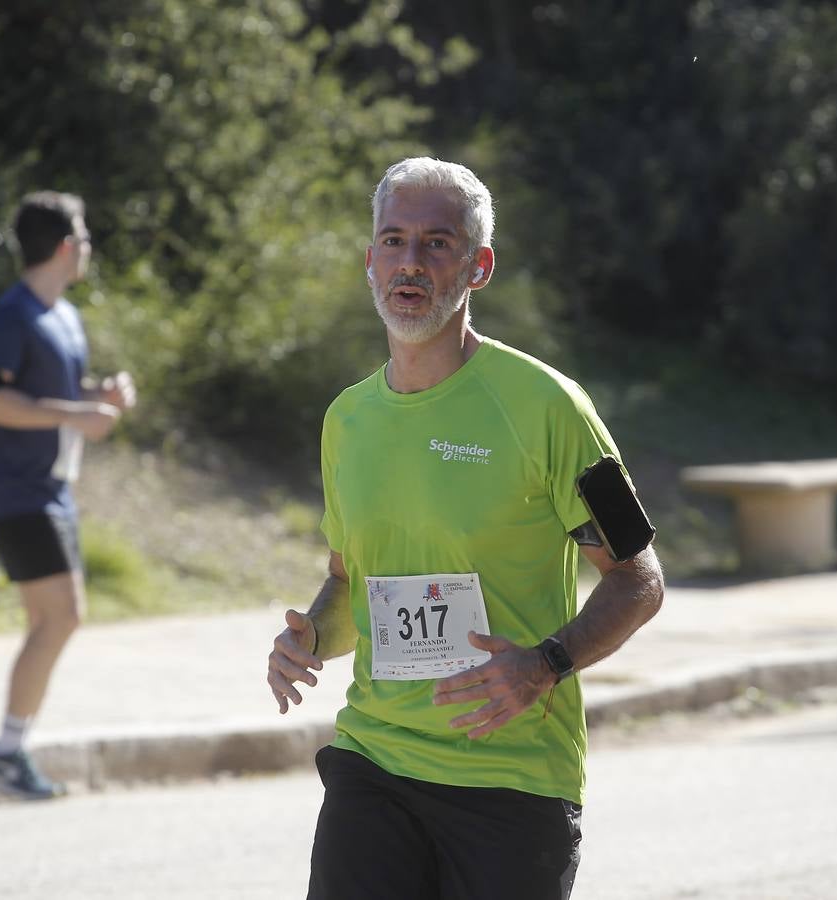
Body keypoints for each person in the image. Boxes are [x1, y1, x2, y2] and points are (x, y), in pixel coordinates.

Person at [266, 158, 666, 899]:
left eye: (437, 243)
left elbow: (639, 581)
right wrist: (311, 639)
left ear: (478, 266)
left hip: (509, 778)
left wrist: (543, 663)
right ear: (369, 261)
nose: (410, 263)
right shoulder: (346, 420)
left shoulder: (553, 408)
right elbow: (350, 581)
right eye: (393, 240)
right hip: (374, 762)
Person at [0, 191, 136, 800]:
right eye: (85, 237)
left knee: (56, 617)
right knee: (62, 615)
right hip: (14, 492)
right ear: (66, 246)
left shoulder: (62, 314)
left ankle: (11, 751)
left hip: (53, 490)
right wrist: (78, 412)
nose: (88, 247)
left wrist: (102, 396)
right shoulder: (12, 317)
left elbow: (59, 392)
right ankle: (6, 753)